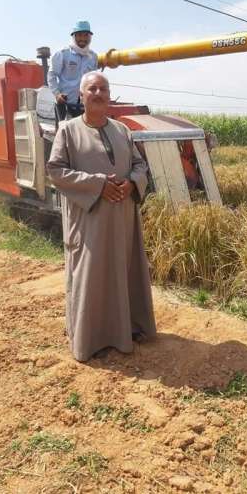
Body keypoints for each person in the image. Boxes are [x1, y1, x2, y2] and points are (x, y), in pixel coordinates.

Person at [46, 71, 156, 362]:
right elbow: (56, 171)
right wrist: (98, 185)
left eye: (103, 89)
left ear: (109, 96)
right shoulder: (68, 130)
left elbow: (139, 164)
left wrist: (131, 182)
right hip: (90, 222)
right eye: (91, 89)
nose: (98, 93)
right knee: (90, 275)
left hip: (123, 220)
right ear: (81, 96)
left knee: (125, 270)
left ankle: (128, 330)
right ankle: (90, 339)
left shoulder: (121, 130)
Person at [48, 21, 98, 121]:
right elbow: (51, 75)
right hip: (65, 104)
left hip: (84, 105)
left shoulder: (93, 57)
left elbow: (93, 80)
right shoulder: (63, 53)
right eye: (79, 35)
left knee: (84, 134)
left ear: (90, 37)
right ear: (73, 36)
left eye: (86, 35)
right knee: (65, 134)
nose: (83, 39)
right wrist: (57, 94)